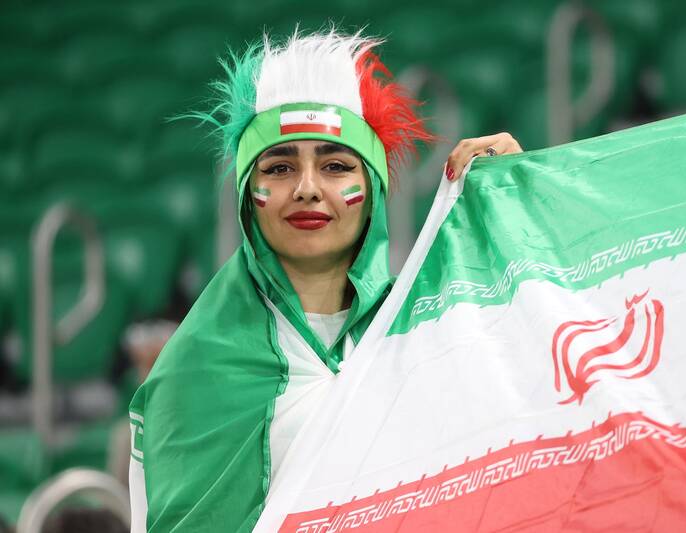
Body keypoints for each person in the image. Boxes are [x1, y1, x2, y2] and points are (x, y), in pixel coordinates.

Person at [128, 26, 522, 532]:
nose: (308, 189)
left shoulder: (421, 330)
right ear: (248, 194)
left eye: (335, 166)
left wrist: (516, 201)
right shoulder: (197, 365)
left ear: (373, 189)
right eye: (279, 168)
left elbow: (525, 397)